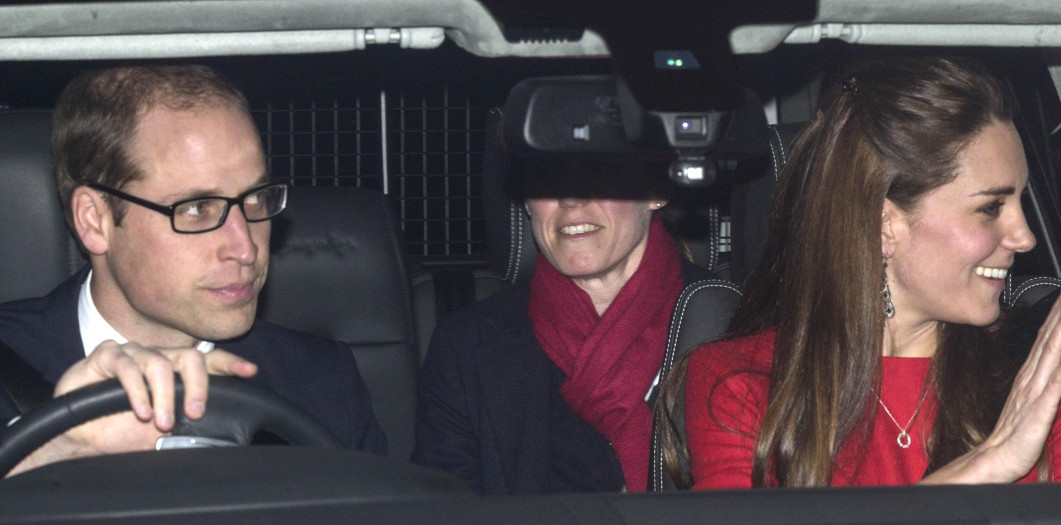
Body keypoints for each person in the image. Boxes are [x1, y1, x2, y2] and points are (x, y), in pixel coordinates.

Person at [663, 55, 1061, 489]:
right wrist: (981, 469)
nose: (1024, 237)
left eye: (1019, 201)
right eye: (990, 208)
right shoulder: (743, 385)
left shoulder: (1043, 373)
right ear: (884, 224)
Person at [0, 65, 385, 476]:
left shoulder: (323, 383)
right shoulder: (10, 365)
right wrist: (54, 449)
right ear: (95, 221)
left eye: (255, 200)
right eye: (197, 209)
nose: (246, 248)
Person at [412, 158, 715, 494]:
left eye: (600, 170)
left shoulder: (737, 327)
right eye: (547, 173)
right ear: (526, 203)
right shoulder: (465, 348)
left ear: (655, 192)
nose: (571, 200)